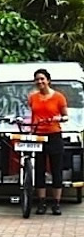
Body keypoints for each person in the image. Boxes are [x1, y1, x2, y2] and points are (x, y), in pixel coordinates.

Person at [28, 69, 68, 216]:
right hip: (38, 136)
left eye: (42, 79)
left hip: (54, 135)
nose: (40, 82)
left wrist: (59, 118)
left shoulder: (59, 97)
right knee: (39, 169)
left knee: (56, 169)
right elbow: (32, 115)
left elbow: (65, 116)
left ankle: (56, 203)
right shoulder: (33, 97)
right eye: (37, 79)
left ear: (48, 80)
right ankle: (41, 202)